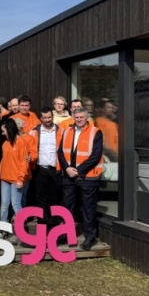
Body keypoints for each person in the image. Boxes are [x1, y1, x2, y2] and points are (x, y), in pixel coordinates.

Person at [58, 107, 103, 250]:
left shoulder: (96, 132)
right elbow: (60, 152)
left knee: (88, 208)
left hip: (87, 176)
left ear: (86, 118)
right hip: (68, 176)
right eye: (76, 117)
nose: (79, 120)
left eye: (81, 117)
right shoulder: (67, 130)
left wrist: (77, 171)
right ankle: (66, 234)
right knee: (67, 207)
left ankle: (90, 237)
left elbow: (95, 156)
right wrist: (67, 168)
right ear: (73, 117)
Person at [0, 118, 31, 241]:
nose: (2, 133)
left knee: (16, 204)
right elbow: (3, 161)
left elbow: (24, 162)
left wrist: (20, 179)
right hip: (5, 178)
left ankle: (19, 231)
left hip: (16, 179)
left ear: (9, 129)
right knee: (4, 205)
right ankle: (3, 230)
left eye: (3, 131)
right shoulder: (5, 143)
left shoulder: (21, 142)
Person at [30, 107, 63, 227]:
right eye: (45, 118)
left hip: (55, 169)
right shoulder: (34, 131)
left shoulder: (61, 131)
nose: (48, 120)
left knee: (54, 198)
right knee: (40, 197)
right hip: (40, 169)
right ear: (41, 118)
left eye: (49, 117)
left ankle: (53, 224)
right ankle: (42, 223)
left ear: (52, 117)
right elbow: (28, 148)